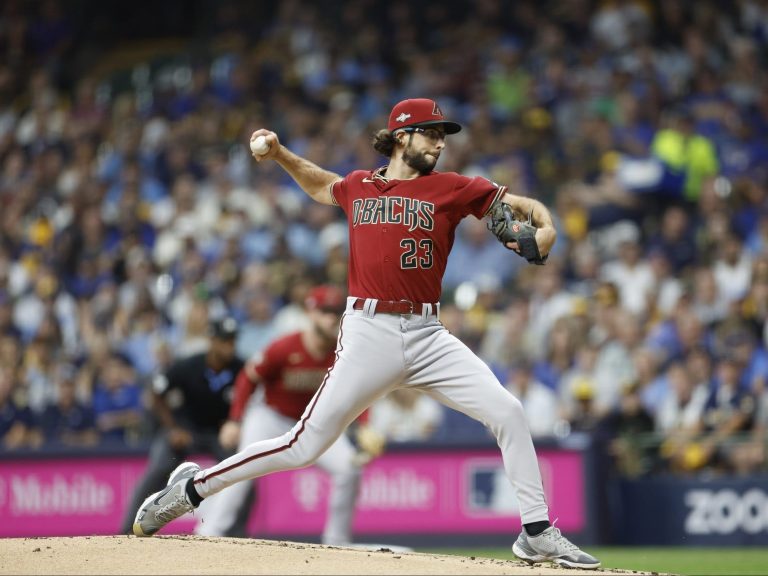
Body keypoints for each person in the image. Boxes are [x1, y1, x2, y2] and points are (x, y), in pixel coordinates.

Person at [132, 98, 600, 569]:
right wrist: (279, 154)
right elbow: (323, 185)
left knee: (508, 411)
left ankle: (536, 532)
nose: (440, 141)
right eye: (430, 132)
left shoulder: (454, 188)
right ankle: (190, 490)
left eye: (443, 134)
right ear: (401, 136)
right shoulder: (360, 185)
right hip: (369, 332)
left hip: (428, 334)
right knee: (303, 446)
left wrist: (542, 227)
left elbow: (520, 224)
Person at [195, 284, 366, 546]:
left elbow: (360, 388)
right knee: (242, 469)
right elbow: (248, 378)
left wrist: (365, 426)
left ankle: (337, 542)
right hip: (270, 418)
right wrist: (235, 419)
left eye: (336, 312)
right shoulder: (286, 347)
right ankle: (209, 533)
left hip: (314, 424)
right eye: (325, 311)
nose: (331, 318)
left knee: (349, 470)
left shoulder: (343, 352)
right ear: (311, 313)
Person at [120, 316, 244, 534]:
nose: (229, 346)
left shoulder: (240, 368)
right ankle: (127, 529)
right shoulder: (190, 365)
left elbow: (252, 397)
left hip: (219, 433)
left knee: (242, 472)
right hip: (186, 430)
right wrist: (173, 427)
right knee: (158, 468)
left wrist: (236, 422)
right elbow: (156, 394)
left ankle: (237, 531)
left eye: (233, 341)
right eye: (225, 341)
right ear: (212, 340)